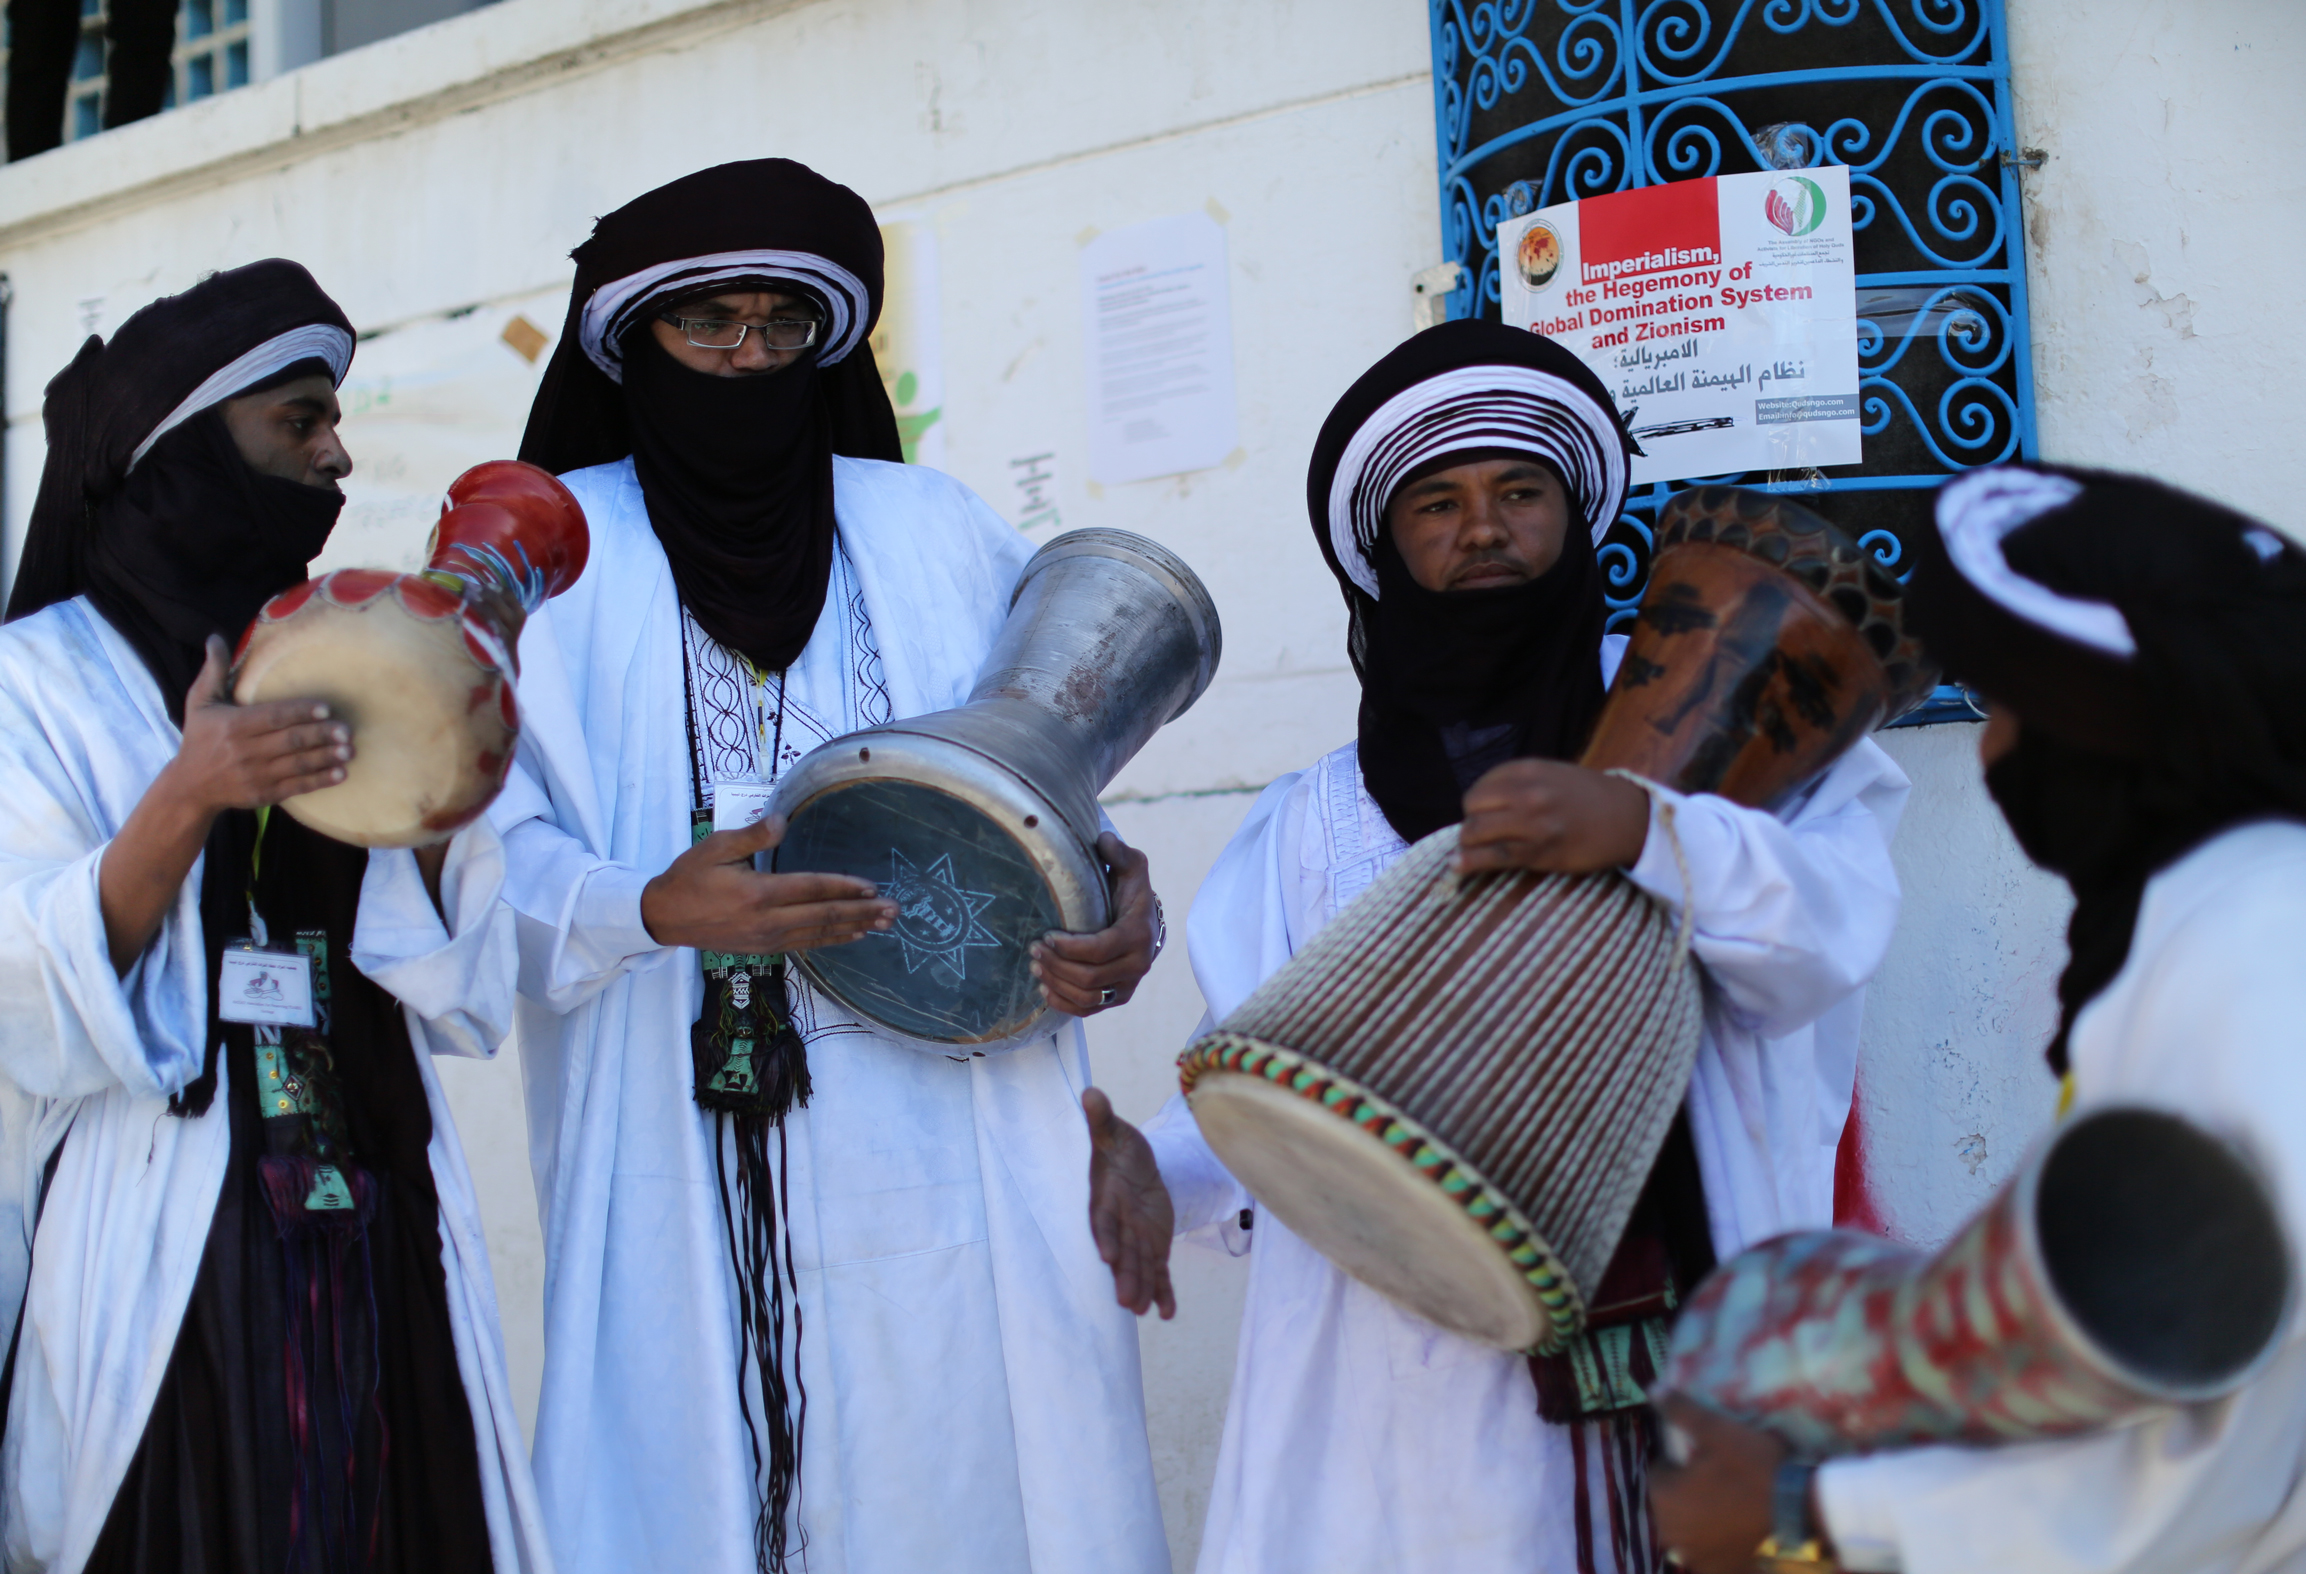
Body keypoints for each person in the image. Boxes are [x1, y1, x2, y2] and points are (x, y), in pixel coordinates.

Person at [1083, 319, 1911, 1574]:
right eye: (1437, 502)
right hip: (1386, 1364)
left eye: (1520, 491)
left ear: (1573, 518)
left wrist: (1646, 829)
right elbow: (1270, 1067)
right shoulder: (1313, 815)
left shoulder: (1729, 719)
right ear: (1385, 547)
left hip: (1690, 1325)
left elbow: (1829, 930)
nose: (1482, 528)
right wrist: (1161, 1166)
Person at [471, 159, 1167, 1574]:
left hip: (947, 1137)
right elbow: (481, 852)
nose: (749, 357)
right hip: (669, 1134)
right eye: (708, 326)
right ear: (634, 344)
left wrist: (1119, 899)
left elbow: (1050, 772)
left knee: (968, 1482)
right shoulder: (556, 556)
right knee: (689, 1494)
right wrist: (646, 904)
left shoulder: (929, 527)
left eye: (782, 326)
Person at [1647, 464, 2306, 1574]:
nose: (1989, 754)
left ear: (2105, 736)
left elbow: (2230, 1436)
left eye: (2013, 711)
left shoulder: (2256, 956)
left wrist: (1815, 1513)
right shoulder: (2253, 904)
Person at [0, 261, 549, 1572]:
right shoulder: (33, 681)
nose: (337, 456)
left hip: (378, 1195)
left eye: (335, 421)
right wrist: (189, 792)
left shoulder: (338, 648)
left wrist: (451, 723)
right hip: (159, 1238)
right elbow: (23, 991)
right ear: (186, 448)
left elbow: (452, 981)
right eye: (299, 421)